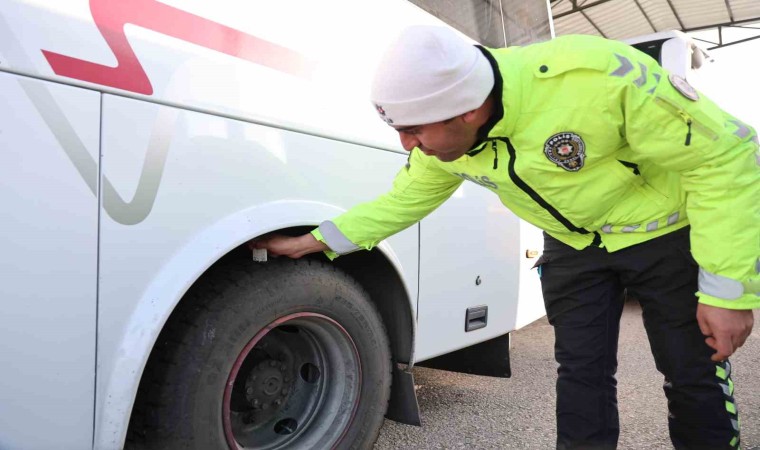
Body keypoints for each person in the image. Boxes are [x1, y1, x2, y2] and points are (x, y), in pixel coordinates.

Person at [251, 25, 759, 449]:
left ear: (468, 111)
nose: (407, 145)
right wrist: (318, 240)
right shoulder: (445, 138)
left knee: (691, 372)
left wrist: (727, 290)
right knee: (580, 374)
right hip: (576, 249)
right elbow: (402, 201)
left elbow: (727, 157)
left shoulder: (595, 77)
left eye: (414, 130)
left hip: (663, 238)